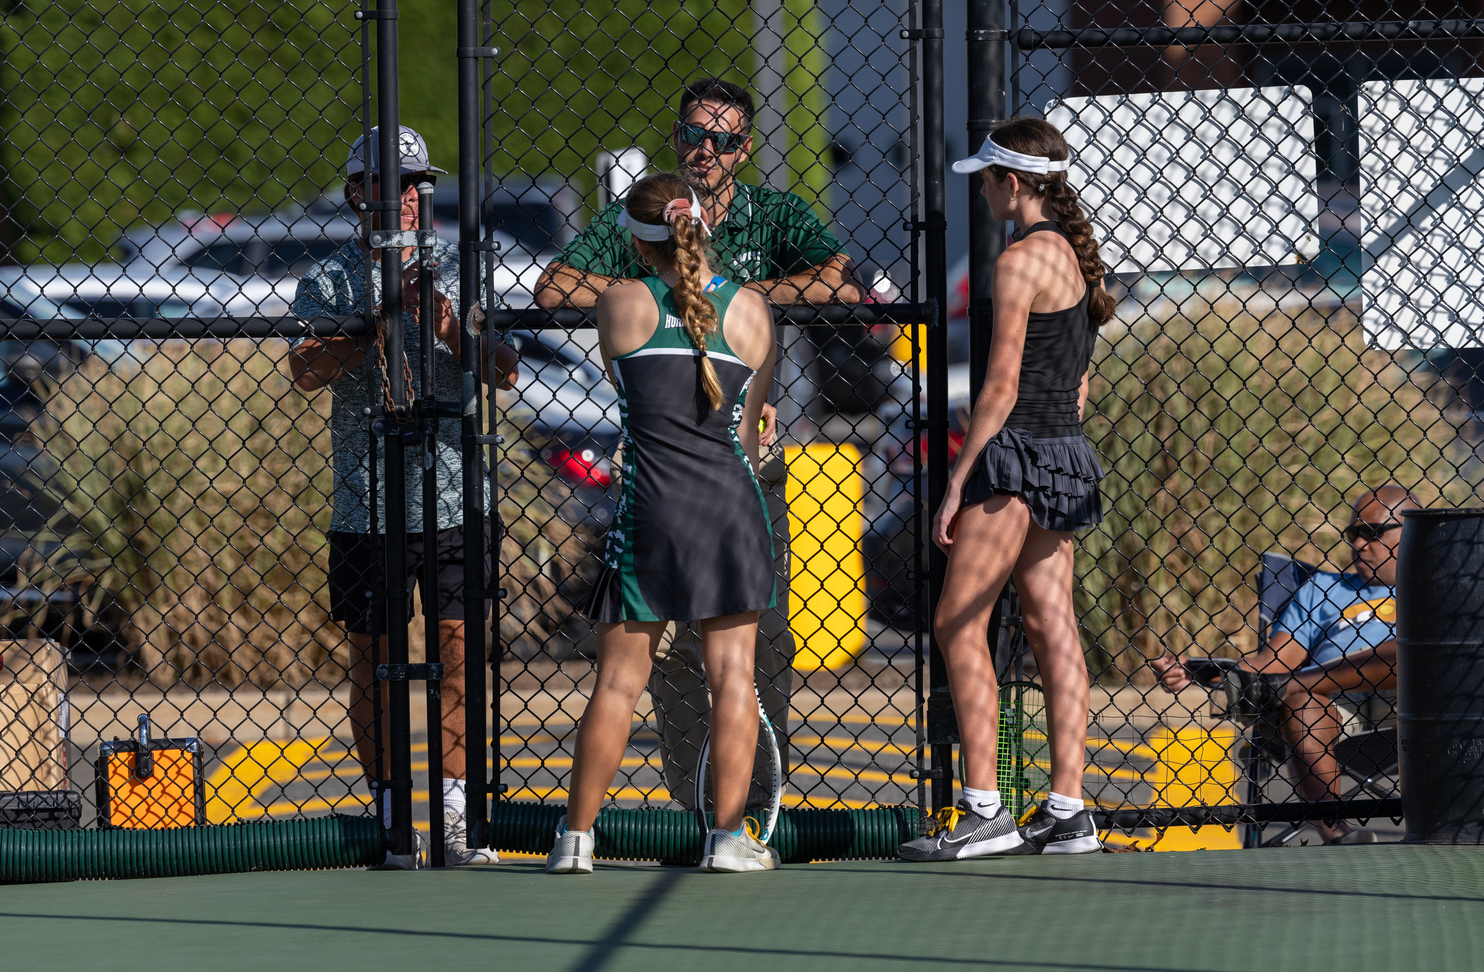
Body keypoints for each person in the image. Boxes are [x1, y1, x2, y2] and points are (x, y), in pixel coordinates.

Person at [536, 78, 864, 812]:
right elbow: (555, 287)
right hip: (663, 467)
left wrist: (730, 300)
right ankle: (697, 801)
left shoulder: (771, 214)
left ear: (744, 150)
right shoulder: (647, 212)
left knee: (756, 651)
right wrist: (687, 298)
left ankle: (747, 806)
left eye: (722, 140)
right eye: (693, 135)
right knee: (671, 662)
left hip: (748, 462)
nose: (704, 150)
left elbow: (841, 282)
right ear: (678, 136)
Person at [287, 125, 520, 868]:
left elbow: (505, 368)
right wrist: (380, 317)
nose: (411, 197)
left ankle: (453, 808)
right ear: (358, 193)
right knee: (374, 657)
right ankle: (392, 811)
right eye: (393, 183)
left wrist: (443, 322)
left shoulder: (461, 264)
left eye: (420, 183)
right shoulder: (326, 279)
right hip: (367, 504)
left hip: (455, 496)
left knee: (459, 649)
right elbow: (306, 371)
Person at [546, 172, 779, 874]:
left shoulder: (618, 305)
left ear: (637, 241)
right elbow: (747, 426)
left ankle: (575, 841)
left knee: (618, 680)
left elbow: (631, 389)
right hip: (729, 509)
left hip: (651, 507)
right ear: (703, 228)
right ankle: (728, 840)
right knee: (734, 675)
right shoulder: (754, 312)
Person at [897, 117, 1113, 861]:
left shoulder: (1019, 261)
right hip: (1065, 455)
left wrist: (960, 480)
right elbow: (1078, 382)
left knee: (958, 624)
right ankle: (1067, 809)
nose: (983, 191)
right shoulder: (1081, 261)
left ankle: (985, 809)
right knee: (1055, 627)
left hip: (1016, 457)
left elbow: (999, 385)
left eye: (986, 180)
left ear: (1010, 183)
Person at [1149, 484, 1416, 844]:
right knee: (1299, 697)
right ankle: (1337, 835)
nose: (1357, 544)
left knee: (1408, 651)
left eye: (1371, 532)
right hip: (1333, 705)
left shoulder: (1435, 586)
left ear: (1410, 529)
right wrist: (1203, 668)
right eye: (1353, 533)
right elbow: (1273, 662)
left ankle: (1296, 685)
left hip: (1414, 701)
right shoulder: (1321, 587)